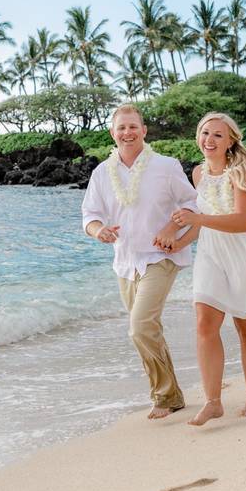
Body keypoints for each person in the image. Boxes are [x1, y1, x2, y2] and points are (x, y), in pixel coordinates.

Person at [168, 112, 246, 426]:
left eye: (217, 135)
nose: (209, 140)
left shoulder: (241, 172)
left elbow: (243, 221)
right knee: (204, 324)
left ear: (230, 142)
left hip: (244, 250)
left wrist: (198, 220)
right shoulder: (198, 173)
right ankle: (213, 401)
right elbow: (205, 218)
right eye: (204, 133)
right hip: (212, 251)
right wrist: (181, 241)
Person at [81, 104, 198, 419]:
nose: (127, 133)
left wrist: (172, 227)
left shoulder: (166, 166)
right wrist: (98, 231)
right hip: (125, 262)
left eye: (133, 127)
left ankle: (162, 396)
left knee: (139, 327)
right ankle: (172, 395)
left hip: (161, 256)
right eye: (121, 128)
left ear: (144, 131)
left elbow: (192, 203)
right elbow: (90, 215)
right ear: (112, 132)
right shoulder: (101, 173)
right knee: (149, 328)